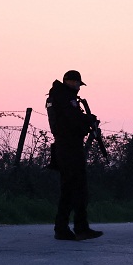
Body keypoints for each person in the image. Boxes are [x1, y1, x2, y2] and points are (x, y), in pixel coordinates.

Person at [45, 70, 103, 241]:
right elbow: (71, 119)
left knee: (70, 189)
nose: (79, 87)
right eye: (78, 83)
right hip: (69, 147)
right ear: (70, 81)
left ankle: (65, 228)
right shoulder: (63, 98)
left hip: (66, 146)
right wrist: (87, 120)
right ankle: (78, 228)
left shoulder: (58, 96)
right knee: (77, 189)